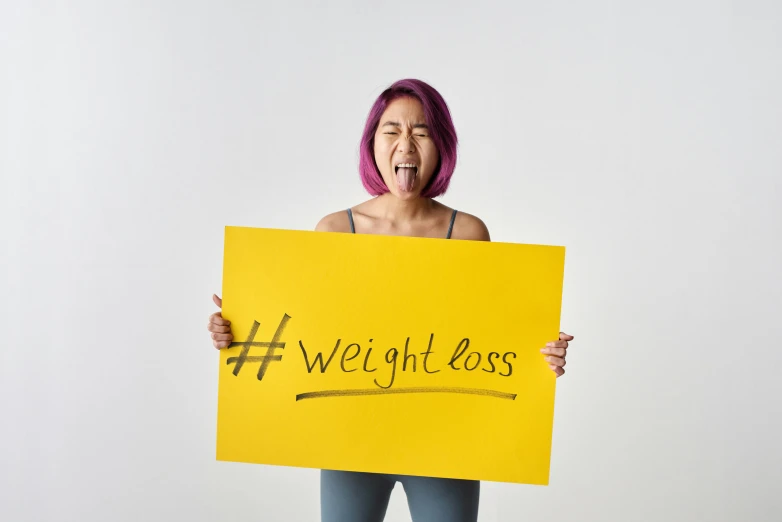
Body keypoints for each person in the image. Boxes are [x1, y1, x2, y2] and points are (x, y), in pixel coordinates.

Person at [207, 78, 573, 522]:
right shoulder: (335, 231)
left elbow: (492, 341)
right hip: (351, 443)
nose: (406, 144)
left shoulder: (469, 233)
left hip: (445, 445)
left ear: (441, 146)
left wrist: (541, 354)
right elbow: (304, 333)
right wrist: (238, 328)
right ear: (372, 143)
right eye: (392, 130)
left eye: (421, 132)